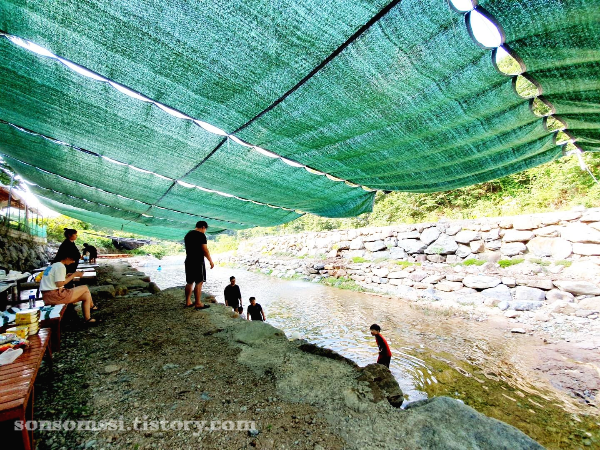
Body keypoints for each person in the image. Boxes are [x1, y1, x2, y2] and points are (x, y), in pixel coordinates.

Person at [41, 246, 98, 323]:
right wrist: (74, 275)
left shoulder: (53, 265)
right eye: (73, 259)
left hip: (47, 296)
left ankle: (88, 319)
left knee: (86, 295)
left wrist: (66, 276)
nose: (73, 262)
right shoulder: (60, 266)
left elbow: (53, 280)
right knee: (85, 287)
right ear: (67, 258)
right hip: (55, 296)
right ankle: (92, 306)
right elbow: (59, 284)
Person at [183, 221, 214, 310]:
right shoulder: (201, 235)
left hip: (188, 260)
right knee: (199, 281)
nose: (205, 231)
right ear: (203, 227)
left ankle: (188, 301)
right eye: (205, 229)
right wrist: (210, 261)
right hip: (197, 261)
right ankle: (198, 303)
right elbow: (205, 250)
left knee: (189, 282)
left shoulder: (188, 234)